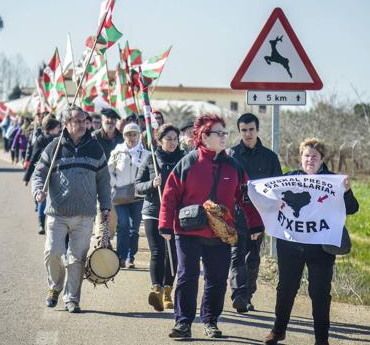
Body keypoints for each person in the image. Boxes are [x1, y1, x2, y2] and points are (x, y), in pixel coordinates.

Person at [159, 114, 259, 339]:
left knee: (216, 279)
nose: (224, 137)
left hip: (220, 234)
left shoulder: (234, 166)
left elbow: (246, 198)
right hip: (187, 231)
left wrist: (255, 225)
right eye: (219, 133)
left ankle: (210, 321)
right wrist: (165, 224)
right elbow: (170, 194)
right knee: (187, 276)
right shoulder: (188, 162)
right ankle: (183, 323)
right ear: (203, 136)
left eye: (225, 133)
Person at [261, 138, 359, 345]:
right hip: (291, 246)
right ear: (300, 158)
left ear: (322, 159)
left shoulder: (335, 181)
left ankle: (321, 339)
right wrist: (274, 203)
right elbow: (267, 202)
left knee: (320, 293)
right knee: (286, 289)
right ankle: (278, 331)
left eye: (314, 156)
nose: (310, 160)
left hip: (321, 248)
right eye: (306, 155)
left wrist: (347, 191)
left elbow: (352, 208)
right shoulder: (288, 179)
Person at [31, 105, 111, 314]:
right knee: (53, 252)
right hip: (57, 213)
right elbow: (39, 173)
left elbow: (103, 181)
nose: (82, 124)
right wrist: (39, 190)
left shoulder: (95, 149)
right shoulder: (54, 147)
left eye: (84, 120)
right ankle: (55, 288)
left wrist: (105, 207)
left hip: (84, 215)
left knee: (77, 258)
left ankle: (72, 299)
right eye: (76, 121)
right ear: (66, 124)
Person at [228, 113, 282, 313]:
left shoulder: (269, 157)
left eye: (251, 129)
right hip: (235, 216)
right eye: (244, 130)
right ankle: (238, 295)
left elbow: (278, 188)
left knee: (252, 257)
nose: (248, 134)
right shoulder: (231, 155)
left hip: (259, 217)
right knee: (236, 256)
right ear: (239, 131)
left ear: (257, 130)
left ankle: (248, 294)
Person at [135, 123, 185, 311]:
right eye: (168, 139)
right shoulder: (151, 158)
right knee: (158, 252)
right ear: (159, 141)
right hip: (153, 212)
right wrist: (152, 184)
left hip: (176, 213)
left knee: (173, 254)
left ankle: (167, 292)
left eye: (175, 139)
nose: (172, 143)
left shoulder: (184, 158)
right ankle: (156, 290)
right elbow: (137, 186)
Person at [108, 122, 147, 268]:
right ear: (124, 136)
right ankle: (121, 256)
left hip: (138, 196)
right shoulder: (117, 152)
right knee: (123, 225)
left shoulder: (145, 153)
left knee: (133, 228)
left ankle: (131, 257)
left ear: (139, 136)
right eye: (128, 134)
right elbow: (108, 170)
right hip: (120, 195)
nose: (132, 137)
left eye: (134, 134)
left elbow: (149, 173)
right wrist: (115, 183)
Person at [24, 117, 62, 234]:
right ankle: (41, 224)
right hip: (44, 173)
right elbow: (34, 157)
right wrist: (27, 176)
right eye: (58, 127)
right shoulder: (41, 140)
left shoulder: (61, 139)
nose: (60, 129)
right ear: (52, 128)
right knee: (42, 199)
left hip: (57, 174)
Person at [92, 108, 124, 241]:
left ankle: (107, 240)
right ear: (102, 120)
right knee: (101, 212)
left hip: (117, 182)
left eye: (113, 120)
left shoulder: (122, 138)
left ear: (116, 121)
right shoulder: (94, 137)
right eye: (107, 119)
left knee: (113, 216)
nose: (110, 122)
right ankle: (100, 241)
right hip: (98, 179)